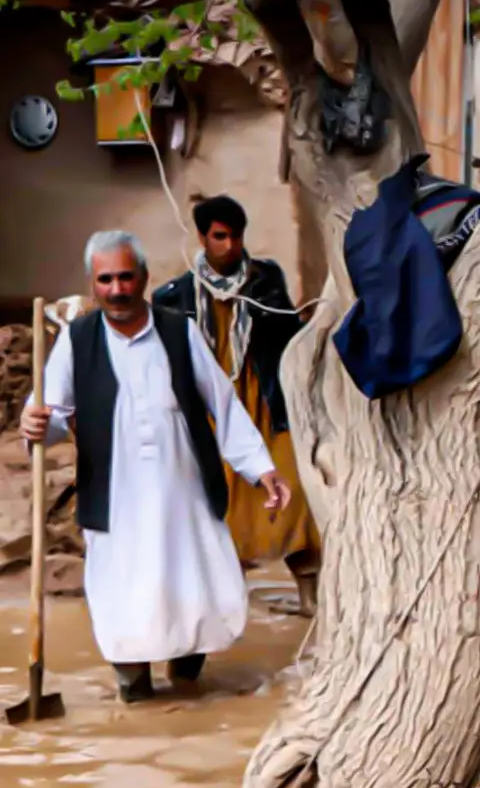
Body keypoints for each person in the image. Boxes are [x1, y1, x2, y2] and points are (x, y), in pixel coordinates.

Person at [21, 230, 291, 703]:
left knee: (193, 588)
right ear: (93, 285)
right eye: (106, 280)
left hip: (183, 493)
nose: (118, 289)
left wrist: (260, 468)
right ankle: (135, 692)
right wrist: (36, 424)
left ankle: (189, 691)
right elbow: (52, 417)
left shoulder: (178, 330)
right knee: (124, 594)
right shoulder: (75, 342)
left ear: (144, 278)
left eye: (127, 277)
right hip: (115, 496)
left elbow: (222, 406)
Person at [153, 196, 321, 615]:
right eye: (219, 236)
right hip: (211, 415)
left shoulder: (265, 282)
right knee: (221, 509)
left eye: (235, 236)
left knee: (293, 497)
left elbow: (287, 339)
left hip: (264, 405)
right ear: (203, 237)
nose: (228, 246)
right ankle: (226, 608)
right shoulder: (174, 295)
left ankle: (310, 598)